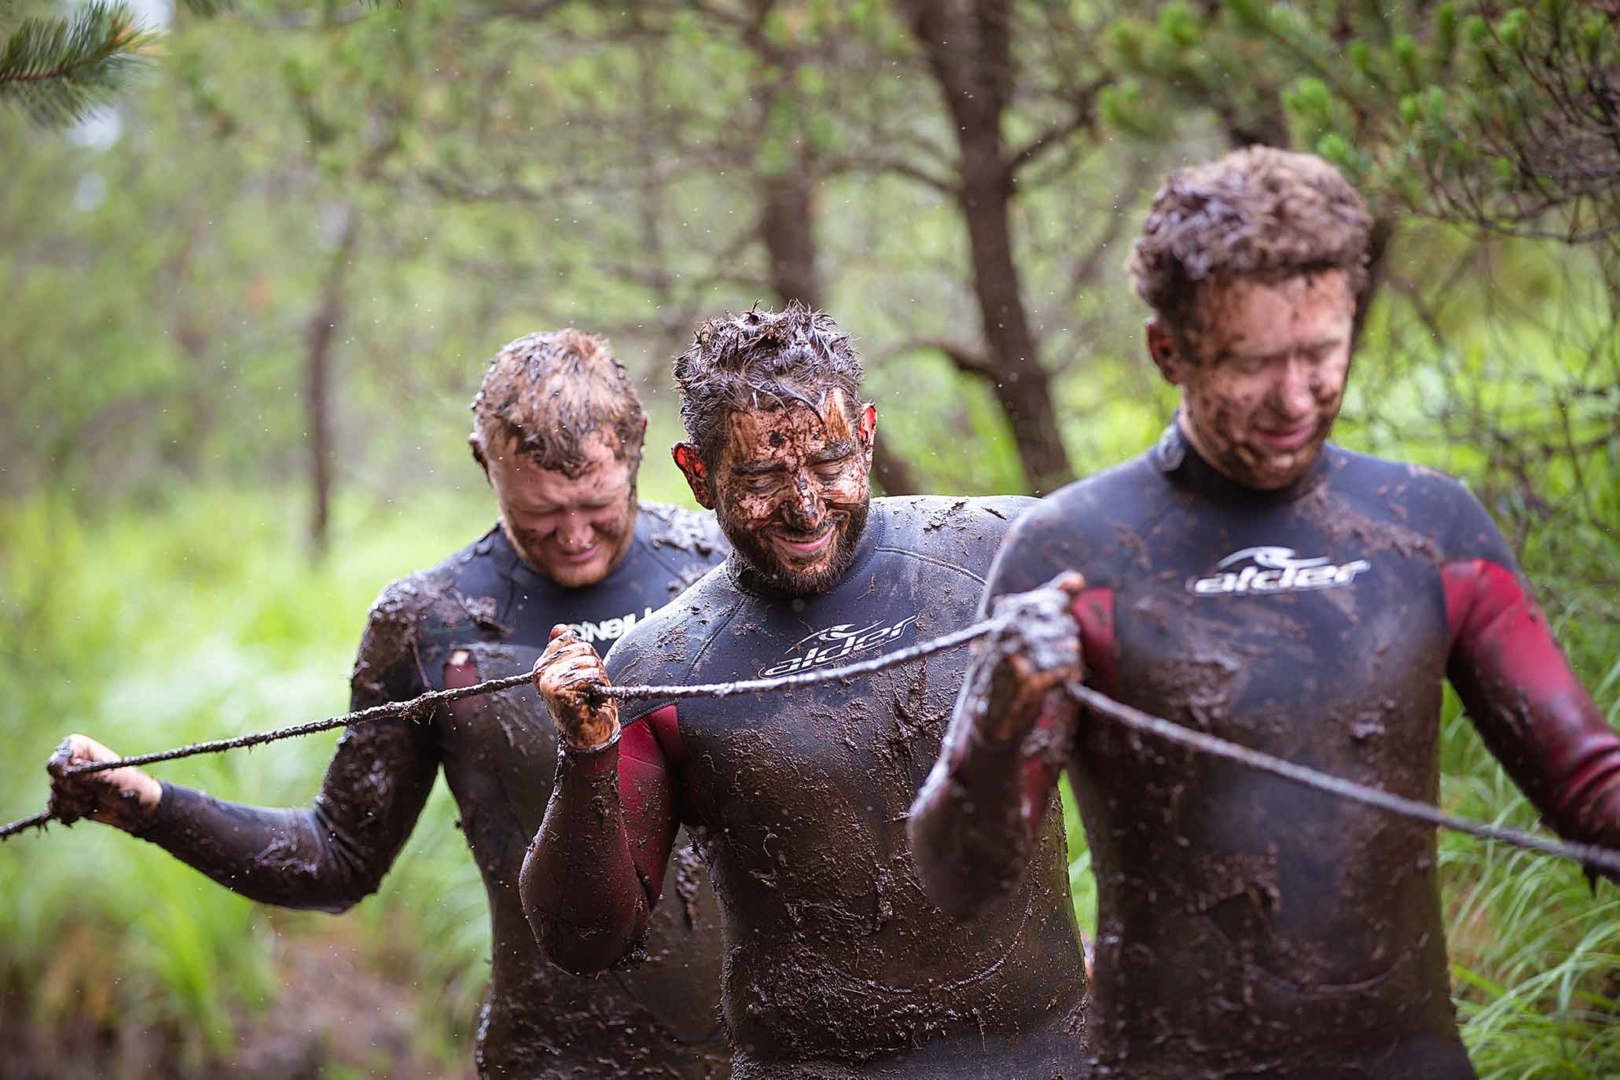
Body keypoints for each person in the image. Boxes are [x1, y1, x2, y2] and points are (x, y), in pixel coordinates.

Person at [908, 146, 1620, 1080]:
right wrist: (998, 723)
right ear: (1169, 349)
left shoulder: (1428, 528)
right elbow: (959, 879)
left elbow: (1589, 786)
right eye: (1251, 364)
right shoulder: (1072, 555)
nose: (1295, 397)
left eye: (1322, 352)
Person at [46, 330, 733, 1079]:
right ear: (486, 466)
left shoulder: (724, 569)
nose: (572, 535)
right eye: (540, 514)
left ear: (634, 451)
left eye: (596, 503)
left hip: (758, 1050)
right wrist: (150, 806)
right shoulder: (430, 621)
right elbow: (335, 859)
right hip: (552, 1058)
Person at [520, 304, 1088, 1079]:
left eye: (829, 463)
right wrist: (587, 758)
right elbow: (585, 939)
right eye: (759, 477)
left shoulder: (1003, 553)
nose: (806, 505)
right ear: (697, 475)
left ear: (868, 435)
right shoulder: (666, 663)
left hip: (1054, 1053)